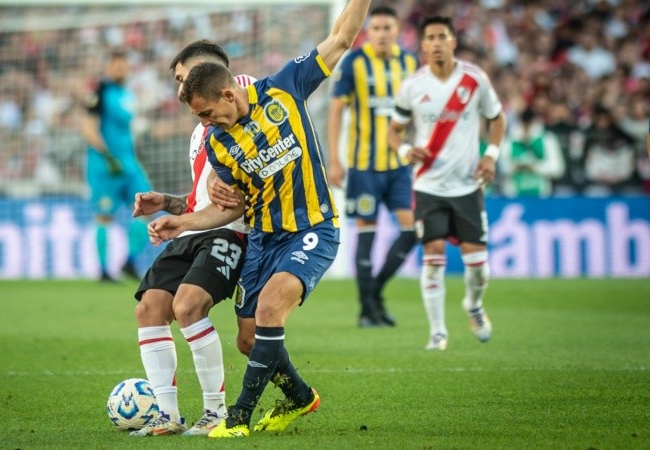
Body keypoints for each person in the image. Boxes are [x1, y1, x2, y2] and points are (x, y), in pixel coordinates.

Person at [149, 0, 372, 438]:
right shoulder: (219, 144)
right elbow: (230, 206)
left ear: (228, 94)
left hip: (312, 229)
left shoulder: (286, 87)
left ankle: (237, 417)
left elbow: (342, 36)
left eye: (206, 113)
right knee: (249, 340)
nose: (205, 123)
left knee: (271, 308)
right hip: (263, 240)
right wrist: (184, 221)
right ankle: (301, 397)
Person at [127, 40, 255, 437]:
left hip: (233, 231)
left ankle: (215, 412)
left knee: (189, 306)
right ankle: (167, 415)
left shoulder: (245, 91)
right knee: (149, 308)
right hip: (197, 228)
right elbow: (201, 199)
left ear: (205, 69)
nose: (180, 90)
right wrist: (165, 203)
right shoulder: (199, 130)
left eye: (182, 78)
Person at [388, 16, 506, 351]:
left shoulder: (474, 79)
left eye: (443, 36)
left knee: (478, 269)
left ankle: (474, 305)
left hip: (468, 186)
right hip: (429, 186)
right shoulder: (412, 86)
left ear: (453, 41)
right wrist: (407, 149)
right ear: (423, 45)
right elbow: (392, 131)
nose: (437, 42)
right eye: (431, 38)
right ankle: (438, 331)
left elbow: (497, 119)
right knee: (434, 255)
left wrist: (491, 155)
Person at [327, 5, 419, 328]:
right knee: (367, 234)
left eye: (387, 28)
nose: (381, 34)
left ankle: (374, 295)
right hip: (363, 166)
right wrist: (335, 160)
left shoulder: (409, 63)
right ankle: (367, 310)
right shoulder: (354, 62)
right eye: (375, 28)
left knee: (412, 230)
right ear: (368, 32)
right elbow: (336, 111)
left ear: (397, 31)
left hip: (398, 167)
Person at [80, 49, 151, 282]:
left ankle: (129, 261)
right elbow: (88, 128)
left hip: (129, 163)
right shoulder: (100, 92)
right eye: (116, 65)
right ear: (109, 67)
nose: (121, 69)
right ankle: (103, 271)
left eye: (124, 65)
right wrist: (107, 156)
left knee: (147, 204)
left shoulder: (128, 94)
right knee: (104, 217)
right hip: (104, 165)